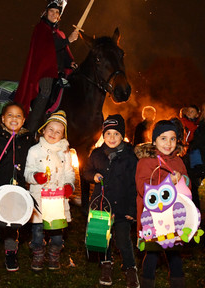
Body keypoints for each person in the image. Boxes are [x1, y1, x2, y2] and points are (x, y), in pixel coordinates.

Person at [0, 102, 36, 276]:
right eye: (10, 115)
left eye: (18, 116)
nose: (14, 118)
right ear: (3, 119)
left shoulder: (27, 140)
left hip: (16, 190)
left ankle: (11, 254)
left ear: (24, 120)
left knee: (13, 225)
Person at [83, 114, 139, 287]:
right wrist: (93, 176)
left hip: (122, 206)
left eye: (116, 134)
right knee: (103, 238)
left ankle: (130, 268)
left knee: (123, 239)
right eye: (108, 134)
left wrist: (132, 209)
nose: (112, 138)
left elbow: (134, 184)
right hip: (102, 205)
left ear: (122, 135)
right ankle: (106, 264)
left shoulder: (130, 156)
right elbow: (86, 171)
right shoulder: (97, 153)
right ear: (103, 135)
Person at [135, 119, 190, 288]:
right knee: (152, 253)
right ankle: (147, 283)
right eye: (163, 138)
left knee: (174, 255)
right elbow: (145, 189)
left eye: (172, 139)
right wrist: (168, 182)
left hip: (174, 218)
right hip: (154, 218)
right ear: (154, 141)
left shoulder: (178, 161)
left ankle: (178, 283)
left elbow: (187, 186)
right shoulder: (146, 162)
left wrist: (184, 181)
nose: (168, 143)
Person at [14, 0, 79, 132]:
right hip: (45, 71)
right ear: (46, 12)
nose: (54, 14)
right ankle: (30, 129)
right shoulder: (41, 28)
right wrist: (68, 40)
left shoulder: (59, 33)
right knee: (46, 91)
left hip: (59, 72)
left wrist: (70, 63)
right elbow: (50, 47)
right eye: (52, 11)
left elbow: (63, 52)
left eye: (57, 12)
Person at [24, 110, 75, 271]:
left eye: (58, 131)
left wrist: (69, 185)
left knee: (57, 232)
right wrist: (35, 177)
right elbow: (26, 172)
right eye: (50, 129)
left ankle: (54, 254)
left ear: (63, 136)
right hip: (39, 198)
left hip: (57, 200)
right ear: (43, 130)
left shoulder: (65, 152)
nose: (53, 133)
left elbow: (69, 172)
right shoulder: (34, 150)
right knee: (38, 230)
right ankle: (38, 254)